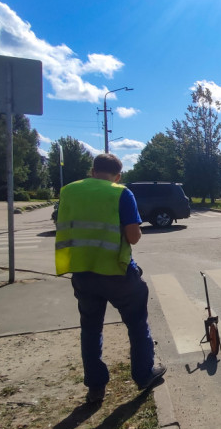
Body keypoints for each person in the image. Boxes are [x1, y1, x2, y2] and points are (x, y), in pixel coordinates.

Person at [55, 153, 165, 404]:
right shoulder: (120, 193)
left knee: (91, 328)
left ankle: (95, 386)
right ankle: (143, 373)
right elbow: (133, 236)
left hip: (82, 270)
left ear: (92, 171)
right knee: (137, 324)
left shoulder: (69, 191)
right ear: (118, 176)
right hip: (117, 272)